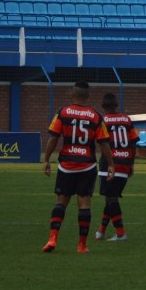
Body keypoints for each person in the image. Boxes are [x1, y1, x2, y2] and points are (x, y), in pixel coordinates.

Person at [41, 81, 114, 254]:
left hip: (66, 165)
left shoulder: (63, 113)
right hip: (87, 166)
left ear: (72, 94)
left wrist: (46, 159)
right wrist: (111, 164)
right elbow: (103, 143)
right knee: (84, 204)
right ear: (88, 96)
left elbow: (53, 138)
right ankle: (81, 245)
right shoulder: (95, 116)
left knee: (61, 202)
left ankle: (52, 238)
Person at [94, 93, 139, 242]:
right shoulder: (126, 120)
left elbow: (100, 142)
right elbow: (133, 142)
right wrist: (131, 163)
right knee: (110, 198)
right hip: (125, 163)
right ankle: (101, 231)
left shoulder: (103, 121)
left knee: (111, 198)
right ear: (116, 105)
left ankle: (120, 233)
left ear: (103, 106)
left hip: (109, 164)